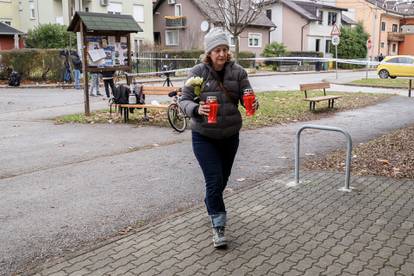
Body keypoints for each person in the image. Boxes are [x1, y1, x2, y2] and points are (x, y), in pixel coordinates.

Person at [180, 28, 258, 248]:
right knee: (214, 180)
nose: (222, 54)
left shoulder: (239, 72)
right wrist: (196, 108)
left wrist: (252, 102)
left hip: (230, 135)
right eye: (217, 50)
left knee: (221, 181)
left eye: (224, 49)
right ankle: (218, 227)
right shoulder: (197, 72)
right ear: (209, 52)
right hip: (204, 135)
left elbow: (246, 96)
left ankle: (210, 203)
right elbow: (183, 101)